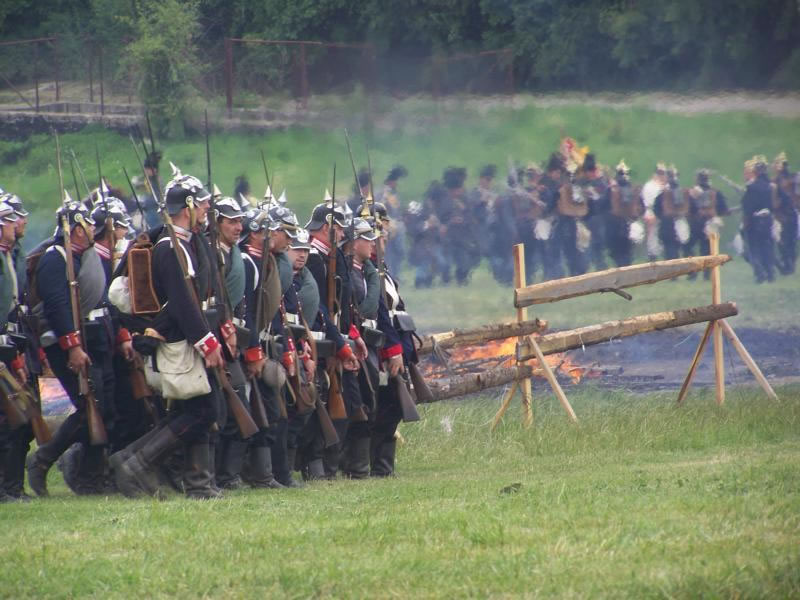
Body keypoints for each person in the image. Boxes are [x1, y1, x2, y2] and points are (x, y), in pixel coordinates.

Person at [113, 171, 228, 499]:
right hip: (180, 339)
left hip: (187, 336)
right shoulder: (169, 248)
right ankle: (137, 465)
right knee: (203, 410)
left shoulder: (184, 243)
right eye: (201, 203)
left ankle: (194, 482)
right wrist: (206, 342)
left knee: (194, 410)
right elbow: (181, 302)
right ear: (188, 206)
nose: (206, 209)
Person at [26, 200, 119, 497]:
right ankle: (43, 459)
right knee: (87, 407)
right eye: (88, 224)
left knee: (102, 409)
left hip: (91, 338)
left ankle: (91, 478)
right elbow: (57, 307)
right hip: (67, 344)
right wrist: (73, 347)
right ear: (76, 228)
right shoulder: (55, 259)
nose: (93, 228)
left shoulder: (77, 256)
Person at [685, 170, 729, 279]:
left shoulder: (692, 192)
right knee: (707, 250)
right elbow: (723, 209)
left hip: (695, 224)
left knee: (688, 247)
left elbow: (688, 209)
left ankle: (692, 273)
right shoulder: (716, 192)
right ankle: (707, 274)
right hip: (710, 224)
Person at [741, 156, 777, 283]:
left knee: (753, 249)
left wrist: (746, 222)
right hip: (768, 220)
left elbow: (748, 207)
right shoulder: (770, 186)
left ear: (755, 172)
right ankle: (770, 274)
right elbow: (773, 205)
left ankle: (760, 274)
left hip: (754, 221)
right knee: (767, 248)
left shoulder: (752, 187)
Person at [605, 160, 643, 268]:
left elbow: (602, 206)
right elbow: (642, 208)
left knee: (620, 253)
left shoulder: (612, 190)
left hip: (617, 225)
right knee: (624, 252)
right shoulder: (632, 190)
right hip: (622, 224)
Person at [577, 154, 610, 272]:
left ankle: (600, 267)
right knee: (585, 246)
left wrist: (595, 196)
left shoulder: (601, 183)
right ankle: (584, 268)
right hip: (583, 219)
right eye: (588, 171)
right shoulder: (580, 183)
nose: (591, 173)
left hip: (597, 217)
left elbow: (605, 200)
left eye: (592, 170)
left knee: (597, 245)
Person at [378, 165, 408, 274]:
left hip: (395, 226)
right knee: (390, 253)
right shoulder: (384, 193)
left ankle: (396, 274)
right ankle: (391, 274)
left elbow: (397, 209)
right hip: (388, 227)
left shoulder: (393, 193)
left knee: (397, 254)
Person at [772, 152, 798, 275]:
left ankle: (790, 265)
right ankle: (787, 265)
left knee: (789, 241)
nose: (774, 166)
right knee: (783, 242)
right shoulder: (774, 181)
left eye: (777, 163)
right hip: (781, 215)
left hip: (790, 213)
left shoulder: (793, 179)